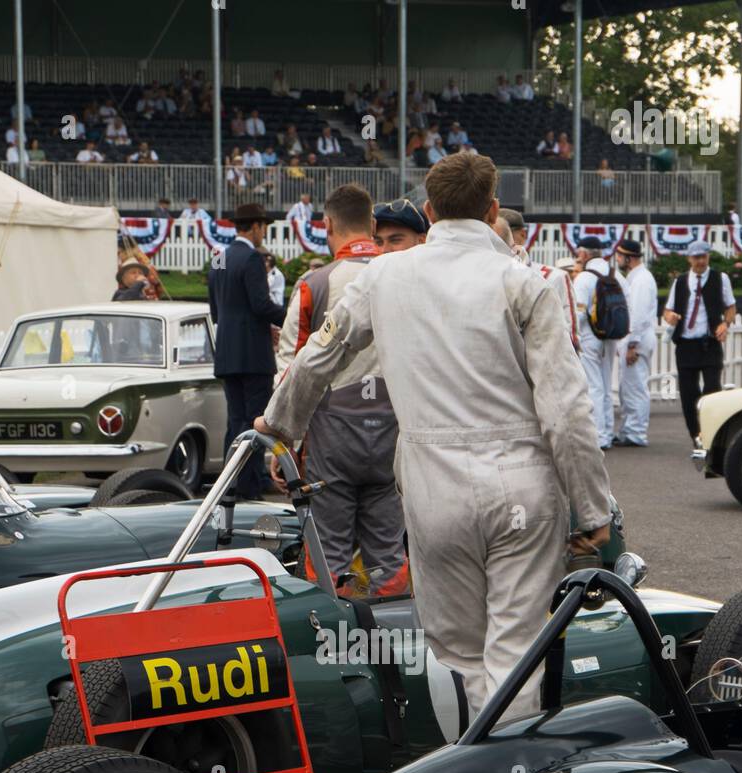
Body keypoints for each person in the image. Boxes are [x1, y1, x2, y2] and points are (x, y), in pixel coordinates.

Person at [254, 152, 611, 719]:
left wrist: (279, 423)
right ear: (493, 211)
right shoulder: (525, 283)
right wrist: (594, 509)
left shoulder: (385, 275)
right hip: (522, 486)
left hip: (433, 488)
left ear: (429, 210)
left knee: (465, 657)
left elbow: (321, 353)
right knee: (516, 651)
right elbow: (565, 410)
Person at [271, 183, 409, 599]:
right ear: (371, 225)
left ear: (327, 225)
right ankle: (398, 647)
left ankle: (329, 649)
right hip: (394, 432)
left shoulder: (315, 283)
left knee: (327, 553)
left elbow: (292, 371)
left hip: (331, 437)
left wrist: (279, 446)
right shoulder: (402, 278)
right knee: (388, 554)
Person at [208, 202, 285, 498]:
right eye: (263, 227)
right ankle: (250, 487)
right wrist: (291, 318)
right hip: (252, 354)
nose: (263, 233)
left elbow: (215, 310)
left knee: (235, 421)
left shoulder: (218, 258)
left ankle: (230, 483)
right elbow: (261, 305)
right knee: (255, 423)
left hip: (227, 352)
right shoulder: (252, 258)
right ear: (254, 226)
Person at [663, 239, 736, 456]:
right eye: (696, 257)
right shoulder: (681, 282)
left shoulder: (720, 279)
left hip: (709, 343)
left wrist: (725, 323)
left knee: (712, 390)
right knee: (688, 395)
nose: (700, 261)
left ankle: (714, 437)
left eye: (703, 257)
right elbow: (667, 311)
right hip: (686, 345)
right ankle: (697, 436)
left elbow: (731, 307)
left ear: (708, 257)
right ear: (689, 259)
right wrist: (671, 317)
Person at [574, 236, 622, 451]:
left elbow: (579, 312)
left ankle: (599, 436)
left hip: (590, 336)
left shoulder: (584, 278)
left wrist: (572, 332)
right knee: (605, 384)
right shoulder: (615, 275)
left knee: (593, 386)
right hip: (610, 335)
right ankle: (608, 432)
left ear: (584, 254)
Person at [612, 237, 657, 447]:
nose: (618, 259)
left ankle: (636, 433)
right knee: (628, 387)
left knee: (635, 387)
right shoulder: (636, 277)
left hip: (637, 341)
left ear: (628, 258)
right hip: (634, 339)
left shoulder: (641, 280)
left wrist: (631, 345)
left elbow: (637, 317)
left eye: (620, 256)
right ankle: (629, 429)